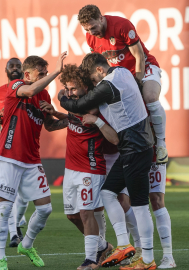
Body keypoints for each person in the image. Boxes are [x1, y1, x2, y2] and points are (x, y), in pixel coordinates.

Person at [59, 53, 156, 270]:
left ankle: (147, 259)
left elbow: (82, 104)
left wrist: (61, 97)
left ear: (101, 71)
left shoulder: (108, 84)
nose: (95, 85)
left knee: (139, 207)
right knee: (108, 193)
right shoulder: (123, 72)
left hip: (135, 148)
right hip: (133, 149)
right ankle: (123, 244)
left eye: (94, 80)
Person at [0, 52, 67, 270]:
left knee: (45, 209)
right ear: (27, 74)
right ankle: (0, 260)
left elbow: (50, 125)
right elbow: (30, 90)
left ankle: (26, 245)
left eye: (46, 73)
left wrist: (67, 118)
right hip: (9, 157)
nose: (45, 77)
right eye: (41, 73)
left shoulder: (44, 96)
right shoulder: (16, 85)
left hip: (32, 160)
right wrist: (56, 71)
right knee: (4, 210)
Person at [41, 63, 119, 269]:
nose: (69, 92)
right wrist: (57, 113)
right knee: (72, 216)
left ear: (86, 86)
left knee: (86, 213)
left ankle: (91, 260)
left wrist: (98, 122)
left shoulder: (99, 108)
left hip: (91, 169)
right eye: (67, 88)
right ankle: (103, 246)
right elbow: (73, 118)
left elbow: (115, 139)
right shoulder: (74, 105)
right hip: (71, 169)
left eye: (73, 88)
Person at [78, 4, 168, 165]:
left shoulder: (121, 25)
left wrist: (137, 84)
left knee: (150, 97)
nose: (91, 33)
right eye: (87, 30)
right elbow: (98, 65)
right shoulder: (91, 38)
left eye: (93, 27)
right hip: (121, 79)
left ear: (101, 18)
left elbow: (139, 56)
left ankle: (161, 144)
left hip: (143, 68)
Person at [0, 57, 29, 248]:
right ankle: (14, 234)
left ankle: (18, 222)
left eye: (17, 66)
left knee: (24, 197)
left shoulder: (28, 89)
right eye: (11, 66)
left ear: (23, 70)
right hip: (6, 151)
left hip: (27, 149)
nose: (15, 69)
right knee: (9, 196)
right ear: (6, 69)